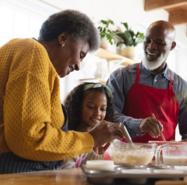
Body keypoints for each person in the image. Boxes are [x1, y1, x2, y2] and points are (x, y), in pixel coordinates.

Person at [0, 10, 123, 174]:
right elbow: (28, 139)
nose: (79, 65)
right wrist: (91, 139)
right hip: (14, 170)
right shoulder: (32, 51)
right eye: (80, 54)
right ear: (63, 39)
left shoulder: (31, 59)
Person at [106, 20, 187, 143]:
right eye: (147, 40)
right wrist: (138, 124)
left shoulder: (183, 87)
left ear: (172, 46)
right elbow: (108, 116)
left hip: (164, 160)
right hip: (125, 158)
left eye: (159, 42)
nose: (151, 47)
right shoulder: (121, 77)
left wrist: (184, 145)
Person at [59, 83, 114, 169]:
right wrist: (92, 156)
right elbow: (65, 171)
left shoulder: (107, 142)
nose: (98, 113)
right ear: (77, 107)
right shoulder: (69, 140)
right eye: (91, 107)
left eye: (103, 109)